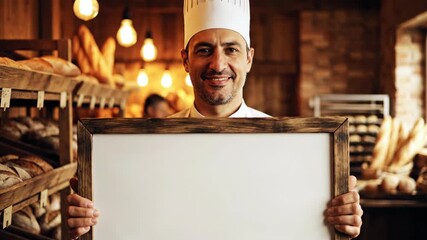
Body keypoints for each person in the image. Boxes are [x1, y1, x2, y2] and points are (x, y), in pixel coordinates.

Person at [67, 0, 363, 238]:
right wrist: (86, 225)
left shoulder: (288, 148)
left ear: (249, 58)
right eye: (204, 50)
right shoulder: (146, 147)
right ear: (185, 60)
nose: (218, 64)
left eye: (231, 49)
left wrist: (339, 225)